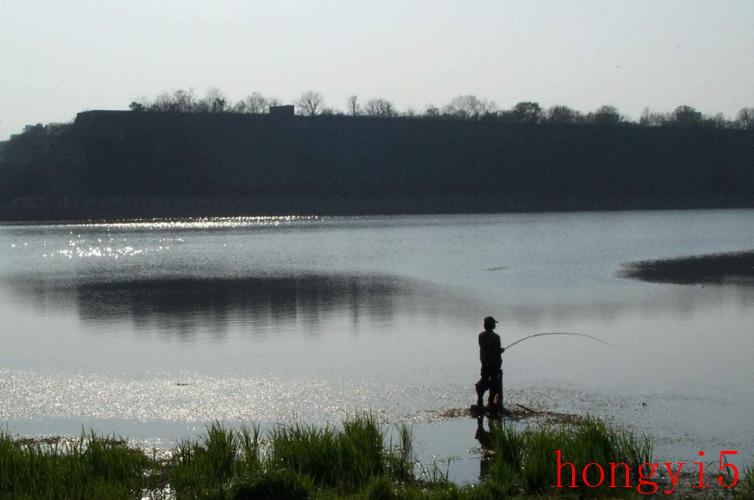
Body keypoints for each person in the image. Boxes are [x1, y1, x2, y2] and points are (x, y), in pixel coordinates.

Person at [475, 316, 504, 412]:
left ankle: (480, 401)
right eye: (494, 323)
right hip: (494, 364)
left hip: (485, 363)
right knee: (494, 383)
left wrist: (497, 351)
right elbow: (494, 350)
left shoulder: (481, 335)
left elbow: (485, 348)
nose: (495, 325)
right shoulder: (496, 337)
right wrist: (500, 351)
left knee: (483, 381)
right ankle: (490, 402)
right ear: (491, 325)